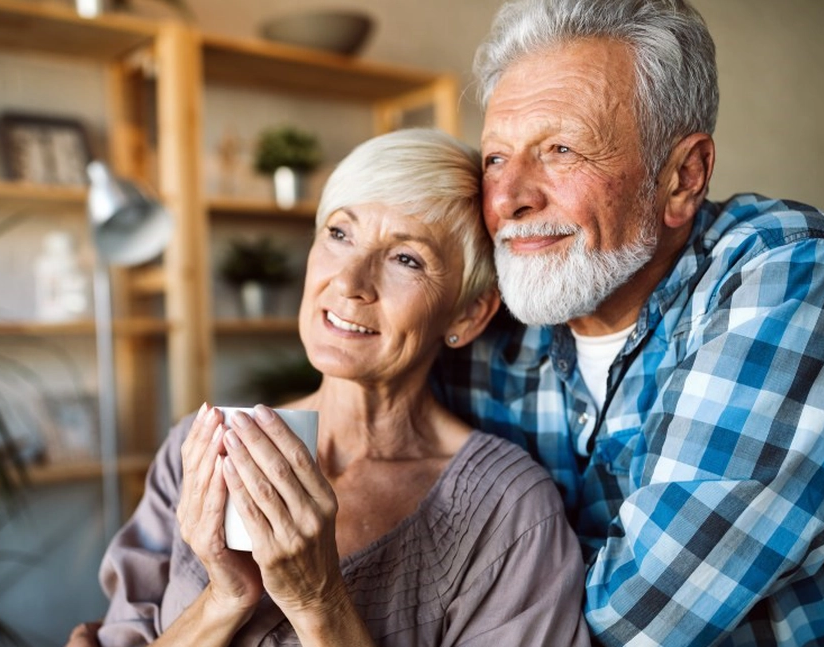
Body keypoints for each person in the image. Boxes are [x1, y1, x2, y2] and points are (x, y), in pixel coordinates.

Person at [432, 0, 824, 645]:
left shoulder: (786, 265)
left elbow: (642, 620)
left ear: (682, 177)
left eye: (560, 149)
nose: (508, 198)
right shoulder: (485, 310)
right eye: (495, 158)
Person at [66, 128, 591, 646]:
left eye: (406, 259)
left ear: (469, 313)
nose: (349, 282)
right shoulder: (198, 447)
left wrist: (318, 600)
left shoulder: (510, 509)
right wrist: (224, 599)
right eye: (340, 234)